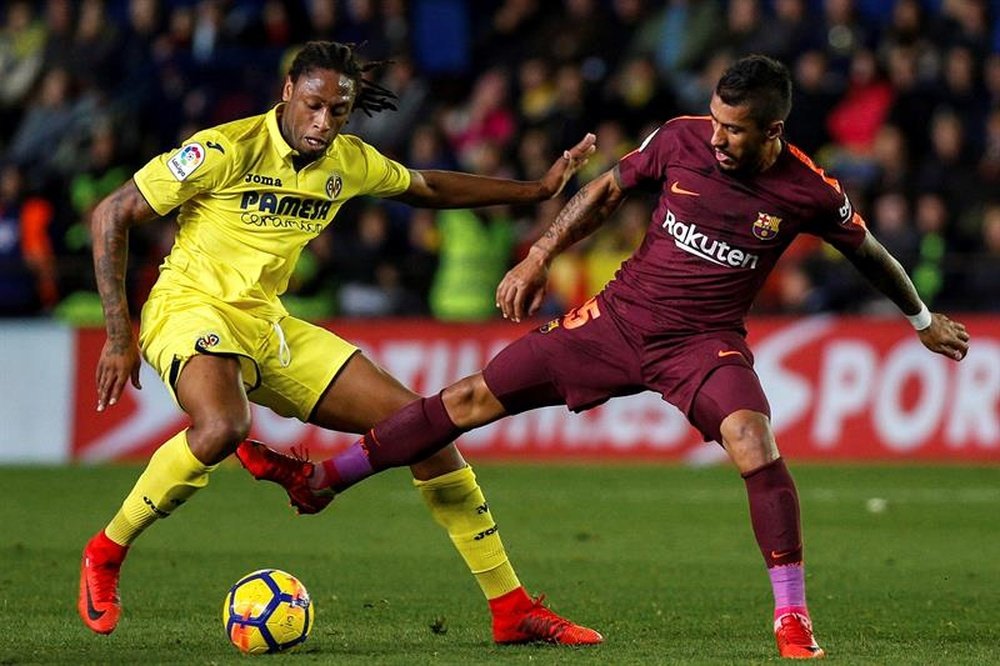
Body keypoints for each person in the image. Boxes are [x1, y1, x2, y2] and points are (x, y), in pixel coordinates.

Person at [239, 55, 971, 659]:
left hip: (703, 344)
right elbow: (605, 193)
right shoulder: (681, 138)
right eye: (714, 122)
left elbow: (870, 254)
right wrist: (539, 255)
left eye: (735, 131)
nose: (717, 140)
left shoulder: (807, 188)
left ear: (773, 131)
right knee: (465, 402)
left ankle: (792, 619)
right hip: (614, 321)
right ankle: (321, 481)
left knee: (754, 440)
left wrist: (920, 318)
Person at [78, 40, 604, 647]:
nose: (323, 123)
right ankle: (105, 552)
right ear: (287, 94)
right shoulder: (224, 149)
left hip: (267, 322)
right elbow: (111, 214)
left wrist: (537, 191)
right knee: (222, 425)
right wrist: (120, 336)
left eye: (337, 112)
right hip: (188, 307)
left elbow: (426, 187)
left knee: (424, 429)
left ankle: (511, 608)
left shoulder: (346, 161)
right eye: (313, 106)